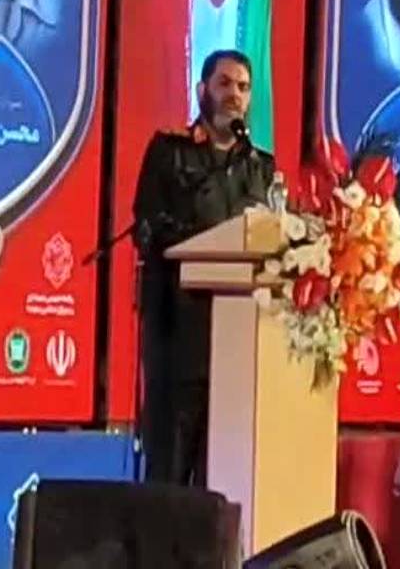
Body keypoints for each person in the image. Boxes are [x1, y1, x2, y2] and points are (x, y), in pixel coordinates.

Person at [132, 50, 275, 486]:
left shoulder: (260, 166)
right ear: (202, 91)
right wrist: (207, 243)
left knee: (223, 479)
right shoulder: (170, 152)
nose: (235, 95)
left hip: (238, 344)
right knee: (170, 473)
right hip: (179, 336)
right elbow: (148, 227)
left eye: (243, 87)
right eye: (224, 84)